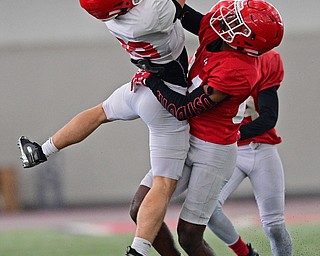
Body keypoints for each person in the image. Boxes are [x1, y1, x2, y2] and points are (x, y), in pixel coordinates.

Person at [17, 0, 190, 255]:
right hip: (164, 95)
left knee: (100, 112)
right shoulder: (149, 15)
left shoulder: (113, 19)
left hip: (138, 87)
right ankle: (138, 249)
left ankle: (41, 151)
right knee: (163, 183)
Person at [129, 0, 284, 255]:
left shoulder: (239, 71)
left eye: (238, 22)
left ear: (247, 41)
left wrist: (151, 78)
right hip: (186, 136)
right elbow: (181, 11)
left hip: (213, 150)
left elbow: (182, 108)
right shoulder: (217, 32)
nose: (227, 18)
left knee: (189, 235)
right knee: (140, 208)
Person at [208, 49, 293, 256]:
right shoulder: (208, 59)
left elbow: (268, 118)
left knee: (274, 224)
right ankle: (246, 254)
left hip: (261, 147)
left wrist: (230, 134)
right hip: (228, 152)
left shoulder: (267, 60)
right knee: (208, 209)